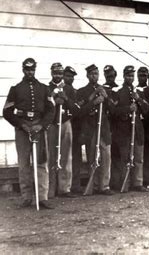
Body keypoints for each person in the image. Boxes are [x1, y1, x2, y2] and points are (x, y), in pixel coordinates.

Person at [3, 58, 55, 209]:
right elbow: (6, 112)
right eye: (27, 69)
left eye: (32, 70)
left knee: (41, 162)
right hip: (22, 129)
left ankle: (43, 197)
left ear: (35, 70)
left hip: (39, 127)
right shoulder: (16, 89)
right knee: (24, 163)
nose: (29, 72)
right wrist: (21, 124)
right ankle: (26, 197)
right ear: (23, 70)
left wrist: (42, 125)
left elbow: (51, 110)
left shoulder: (44, 88)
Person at [109, 66, 149, 192]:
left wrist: (138, 99)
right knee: (125, 158)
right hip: (124, 130)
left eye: (132, 76)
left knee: (138, 158)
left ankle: (137, 183)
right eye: (128, 75)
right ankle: (124, 183)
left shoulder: (139, 92)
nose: (130, 78)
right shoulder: (118, 92)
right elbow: (113, 111)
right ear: (124, 76)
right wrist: (128, 109)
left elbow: (146, 109)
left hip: (137, 130)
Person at [76, 64, 114, 195]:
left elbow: (113, 110)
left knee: (106, 156)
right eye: (92, 74)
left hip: (103, 127)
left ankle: (104, 186)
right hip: (90, 128)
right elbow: (80, 112)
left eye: (96, 74)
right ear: (87, 75)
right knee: (92, 157)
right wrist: (93, 102)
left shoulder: (105, 90)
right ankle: (93, 184)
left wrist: (106, 98)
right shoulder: (82, 91)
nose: (94, 76)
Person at [47, 63, 79, 198]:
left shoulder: (69, 89)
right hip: (52, 124)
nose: (58, 76)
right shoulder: (46, 89)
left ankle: (64, 188)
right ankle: (50, 189)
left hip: (65, 123)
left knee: (66, 157)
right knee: (51, 156)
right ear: (51, 73)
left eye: (60, 73)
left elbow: (76, 109)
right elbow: (44, 107)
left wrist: (65, 98)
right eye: (55, 73)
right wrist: (55, 100)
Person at [64, 66, 83, 193]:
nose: (70, 79)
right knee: (63, 157)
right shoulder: (58, 91)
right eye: (67, 76)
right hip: (63, 126)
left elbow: (79, 111)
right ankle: (63, 186)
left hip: (75, 128)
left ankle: (75, 185)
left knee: (76, 157)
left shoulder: (76, 92)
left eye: (72, 76)